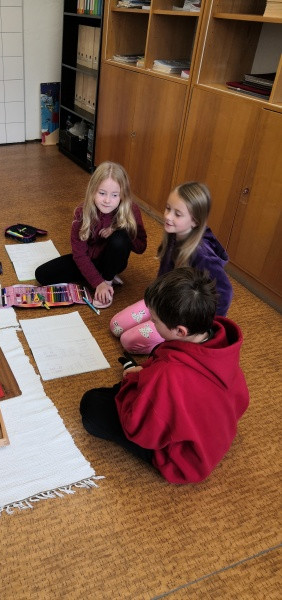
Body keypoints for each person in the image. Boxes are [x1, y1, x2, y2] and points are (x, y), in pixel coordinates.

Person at [80, 267, 249, 485]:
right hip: (212, 432)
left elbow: (140, 429)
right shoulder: (220, 341)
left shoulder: (168, 372)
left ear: (180, 331)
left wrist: (132, 380)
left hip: (184, 461)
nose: (152, 323)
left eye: (155, 321)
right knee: (126, 385)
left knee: (92, 405)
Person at [110, 181, 233, 353]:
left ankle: (176, 344)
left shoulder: (202, 255)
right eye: (168, 208)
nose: (168, 216)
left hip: (182, 316)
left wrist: (205, 328)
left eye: (177, 214)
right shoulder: (173, 234)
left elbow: (226, 292)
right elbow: (164, 274)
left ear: (195, 221)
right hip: (164, 301)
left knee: (128, 341)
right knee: (116, 325)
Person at [35, 161, 147, 309]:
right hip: (91, 259)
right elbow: (79, 255)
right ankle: (98, 277)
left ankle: (108, 281)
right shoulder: (82, 212)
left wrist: (119, 229)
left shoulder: (131, 210)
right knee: (42, 274)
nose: (107, 200)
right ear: (93, 190)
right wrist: (97, 282)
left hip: (114, 260)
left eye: (115, 195)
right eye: (102, 193)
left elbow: (141, 247)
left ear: (122, 195)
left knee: (119, 239)